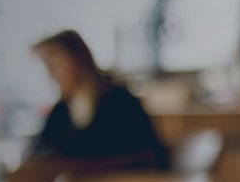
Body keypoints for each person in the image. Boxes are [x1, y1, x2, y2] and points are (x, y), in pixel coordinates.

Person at [30, 30, 167, 167]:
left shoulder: (119, 102)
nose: (50, 75)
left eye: (53, 66)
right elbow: (39, 153)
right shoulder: (60, 111)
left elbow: (148, 156)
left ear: (77, 59)